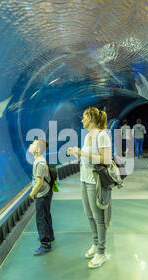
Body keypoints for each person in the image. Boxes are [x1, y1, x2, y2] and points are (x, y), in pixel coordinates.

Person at [67, 107, 112, 269]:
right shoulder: (87, 136)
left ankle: (102, 251)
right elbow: (87, 159)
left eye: (84, 117)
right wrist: (77, 153)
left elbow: (106, 160)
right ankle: (95, 243)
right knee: (89, 215)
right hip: (84, 179)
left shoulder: (102, 136)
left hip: (96, 182)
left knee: (99, 217)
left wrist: (83, 153)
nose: (82, 120)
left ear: (91, 118)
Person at [29, 137, 55, 255]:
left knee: (41, 218)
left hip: (43, 194)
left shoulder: (40, 163)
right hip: (46, 192)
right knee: (46, 215)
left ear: (38, 149)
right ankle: (50, 235)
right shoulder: (38, 160)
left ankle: (45, 244)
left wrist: (32, 193)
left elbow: (39, 182)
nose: (31, 145)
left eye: (33, 144)